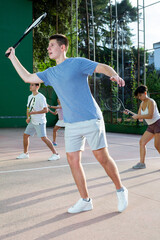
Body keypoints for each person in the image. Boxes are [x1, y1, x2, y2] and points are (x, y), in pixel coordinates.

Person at [6, 34, 128, 213]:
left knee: (101, 157)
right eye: (48, 45)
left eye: (52, 45)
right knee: (72, 160)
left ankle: (120, 189)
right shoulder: (49, 73)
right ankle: (85, 200)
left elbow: (103, 67)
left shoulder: (77, 63)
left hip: (91, 118)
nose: (48, 48)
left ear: (63, 47)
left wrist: (114, 74)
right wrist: (13, 57)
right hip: (71, 123)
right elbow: (27, 77)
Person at [16, 83, 60, 161]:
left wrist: (34, 113)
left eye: (32, 85)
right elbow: (28, 108)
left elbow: (46, 110)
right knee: (25, 135)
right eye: (30, 85)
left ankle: (55, 154)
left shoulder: (41, 97)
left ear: (37, 86)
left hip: (40, 121)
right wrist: (28, 117)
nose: (30, 86)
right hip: (32, 121)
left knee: (44, 138)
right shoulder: (30, 97)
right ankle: (25, 153)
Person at [125, 85, 160, 169]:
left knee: (157, 145)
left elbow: (150, 115)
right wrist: (129, 113)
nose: (139, 97)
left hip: (158, 124)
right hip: (151, 126)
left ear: (145, 93)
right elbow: (139, 117)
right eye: (138, 96)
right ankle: (142, 163)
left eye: (140, 95)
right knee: (142, 142)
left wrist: (137, 116)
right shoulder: (142, 103)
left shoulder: (151, 101)